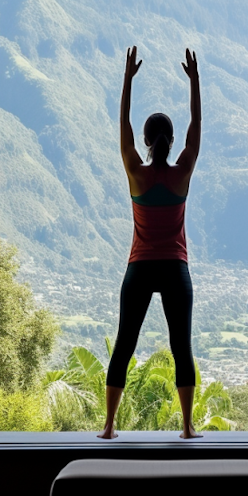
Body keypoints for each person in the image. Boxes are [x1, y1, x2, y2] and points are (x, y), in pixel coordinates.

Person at [98, 45, 202, 440]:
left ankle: (108, 427)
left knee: (124, 343)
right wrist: (195, 83)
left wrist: (127, 79)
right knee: (181, 347)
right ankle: (188, 427)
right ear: (172, 141)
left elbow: (121, 122)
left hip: (140, 267)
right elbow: (197, 125)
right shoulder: (181, 174)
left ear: (145, 140)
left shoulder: (135, 173)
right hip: (175, 268)